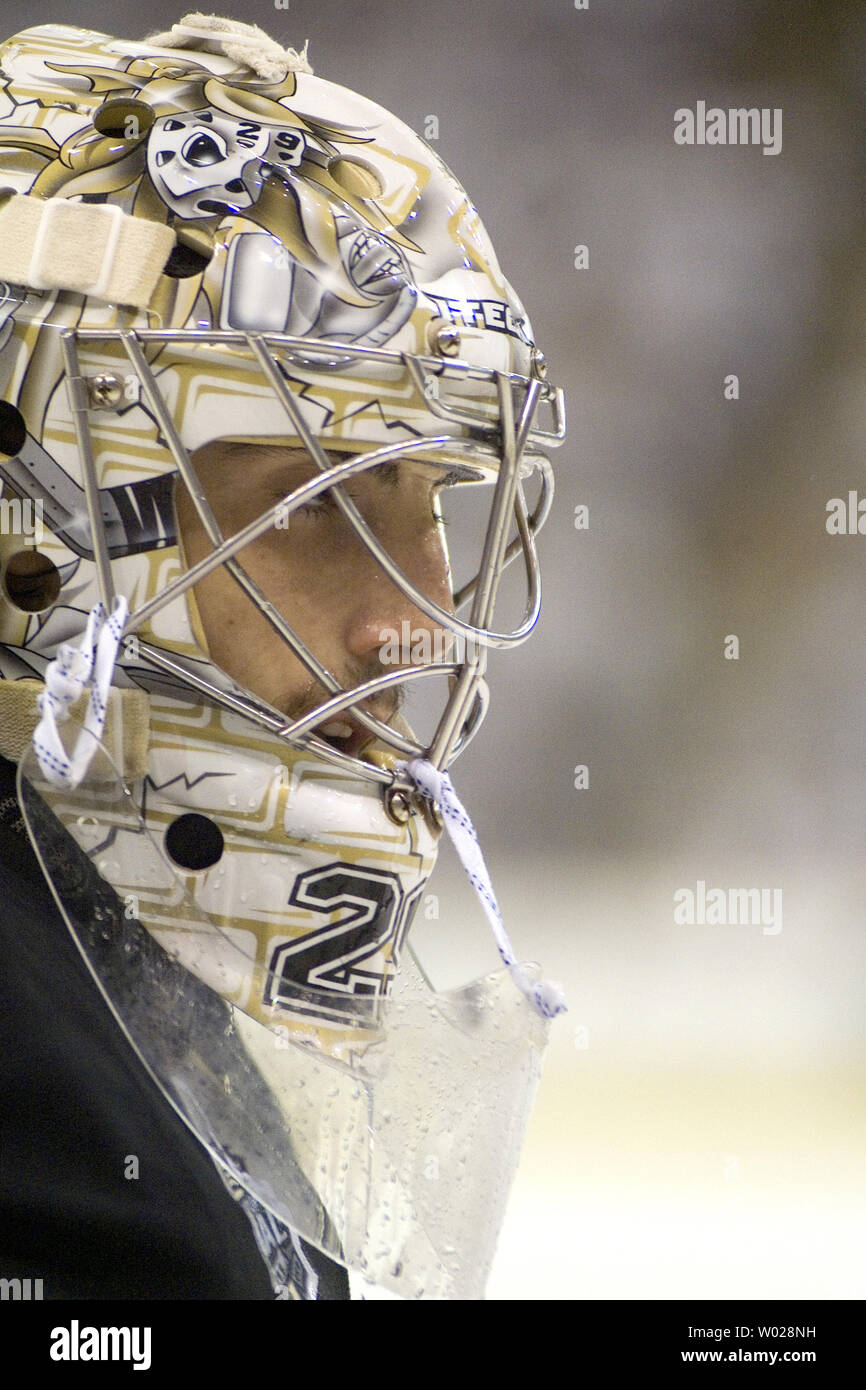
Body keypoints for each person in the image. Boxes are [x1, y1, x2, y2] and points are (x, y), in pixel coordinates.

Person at [0, 13, 565, 1301]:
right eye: (315, 500)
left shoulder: (110, 919)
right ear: (37, 515)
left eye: (431, 502)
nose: (421, 619)